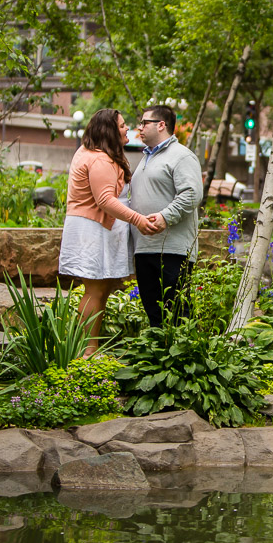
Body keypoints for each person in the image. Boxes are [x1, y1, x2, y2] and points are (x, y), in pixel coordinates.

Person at [58, 108, 158, 357]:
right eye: (123, 125)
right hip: (93, 231)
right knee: (94, 290)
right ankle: (87, 350)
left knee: (100, 290)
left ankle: (91, 347)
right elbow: (104, 200)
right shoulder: (99, 159)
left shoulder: (97, 153)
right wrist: (138, 220)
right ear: (109, 130)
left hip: (100, 229)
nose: (127, 129)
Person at [131, 104, 203, 328]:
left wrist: (165, 217)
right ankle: (157, 360)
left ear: (161, 125)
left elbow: (192, 193)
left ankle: (182, 361)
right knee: (155, 316)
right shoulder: (145, 158)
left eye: (145, 123)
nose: (139, 128)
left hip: (172, 250)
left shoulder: (181, 156)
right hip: (145, 248)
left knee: (177, 314)